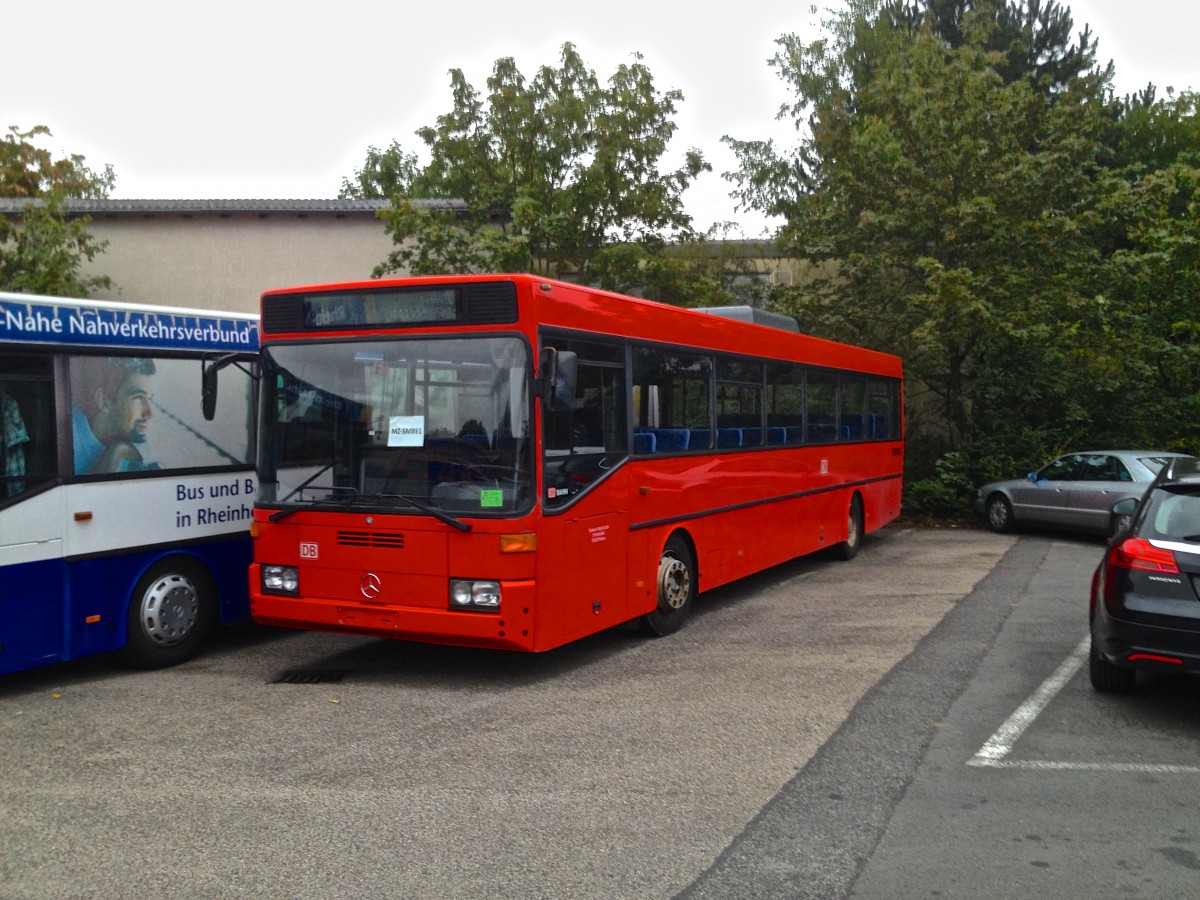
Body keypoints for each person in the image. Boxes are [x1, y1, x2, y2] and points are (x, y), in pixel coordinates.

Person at [71, 356, 159, 474]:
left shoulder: (136, 434)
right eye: (138, 398)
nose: (149, 414)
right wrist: (116, 455)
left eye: (150, 399)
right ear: (104, 402)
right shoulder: (67, 436)